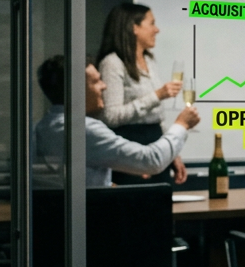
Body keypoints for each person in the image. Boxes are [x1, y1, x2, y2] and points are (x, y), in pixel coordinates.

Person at [34, 55, 200, 187]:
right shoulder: (83, 129)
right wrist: (182, 125)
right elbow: (151, 160)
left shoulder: (43, 127)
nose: (104, 86)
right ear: (75, 90)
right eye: (96, 81)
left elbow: (81, 181)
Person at [95, 2, 187, 185]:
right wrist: (157, 96)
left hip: (155, 143)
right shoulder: (112, 63)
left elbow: (156, 116)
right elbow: (110, 116)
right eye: (152, 23)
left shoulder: (149, 60)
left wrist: (173, 154)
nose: (157, 30)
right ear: (134, 27)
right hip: (129, 148)